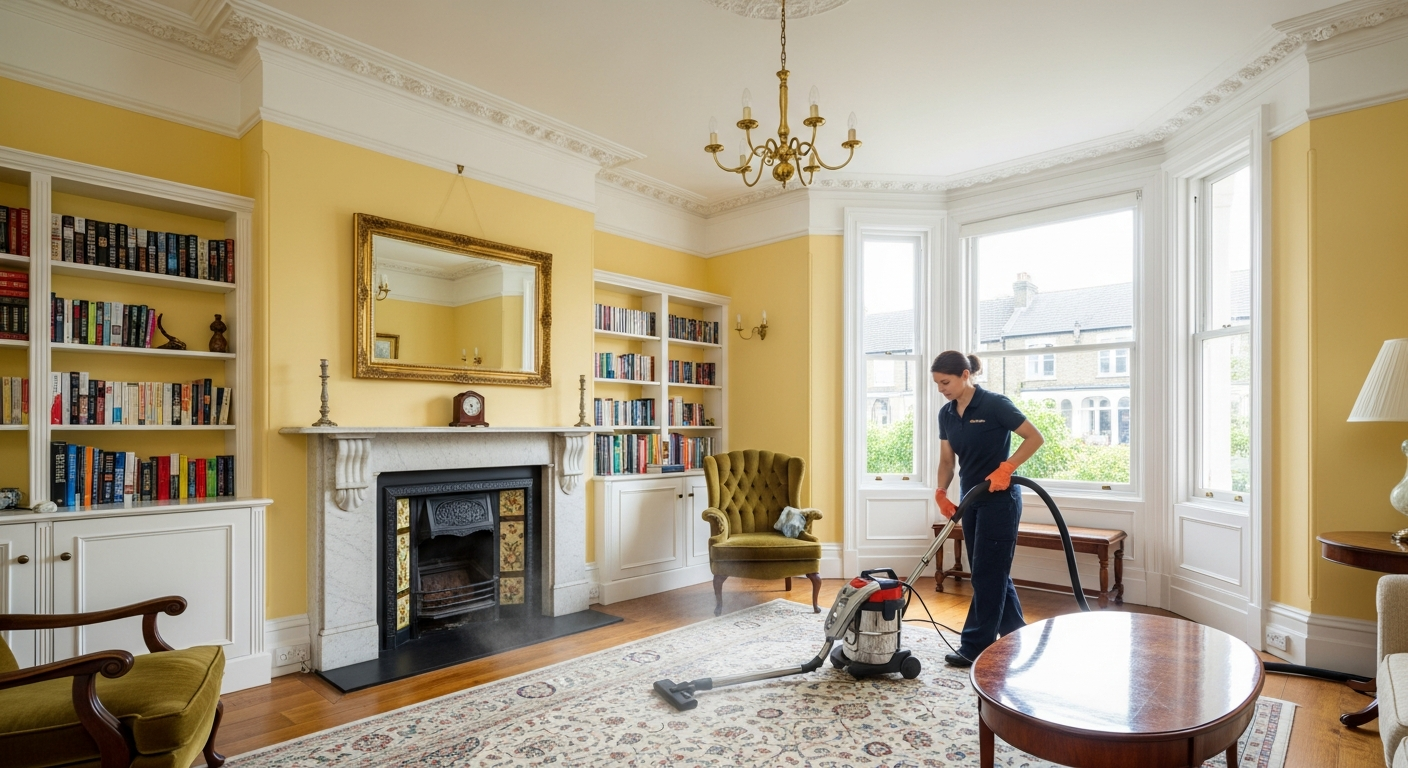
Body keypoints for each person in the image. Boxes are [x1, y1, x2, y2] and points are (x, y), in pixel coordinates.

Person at [931, 351, 1045, 668]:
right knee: (991, 571)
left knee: (985, 571)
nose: (942, 388)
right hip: (971, 499)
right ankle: (1016, 635)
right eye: (937, 384)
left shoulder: (995, 404)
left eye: (946, 382)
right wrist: (940, 491)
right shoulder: (947, 414)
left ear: (965, 375)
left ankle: (974, 647)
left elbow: (1035, 438)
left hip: (1000, 500)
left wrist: (1007, 467)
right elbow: (946, 461)